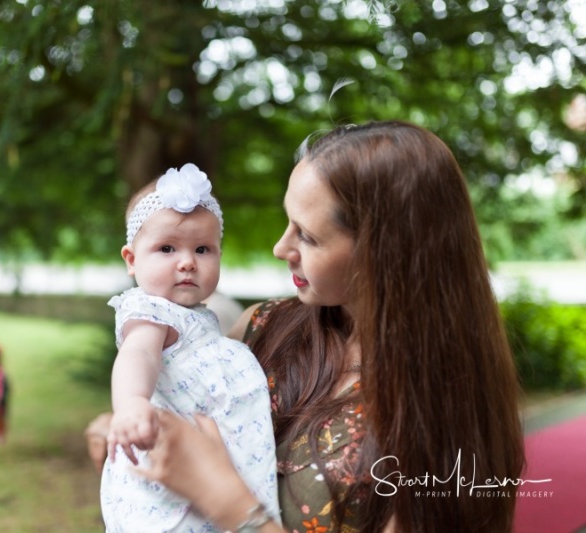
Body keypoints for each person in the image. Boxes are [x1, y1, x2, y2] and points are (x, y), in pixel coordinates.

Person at [87, 121, 525, 532]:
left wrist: (227, 501)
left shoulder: (441, 418)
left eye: (308, 236)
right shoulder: (265, 327)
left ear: (384, 252)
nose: (281, 247)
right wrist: (125, 419)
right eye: (288, 222)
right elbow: (175, 382)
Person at [100, 164, 279, 532]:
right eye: (166, 248)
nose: (187, 262)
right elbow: (139, 354)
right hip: (171, 477)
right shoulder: (152, 312)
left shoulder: (200, 317)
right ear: (131, 260)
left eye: (203, 249)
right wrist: (132, 402)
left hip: (212, 470)